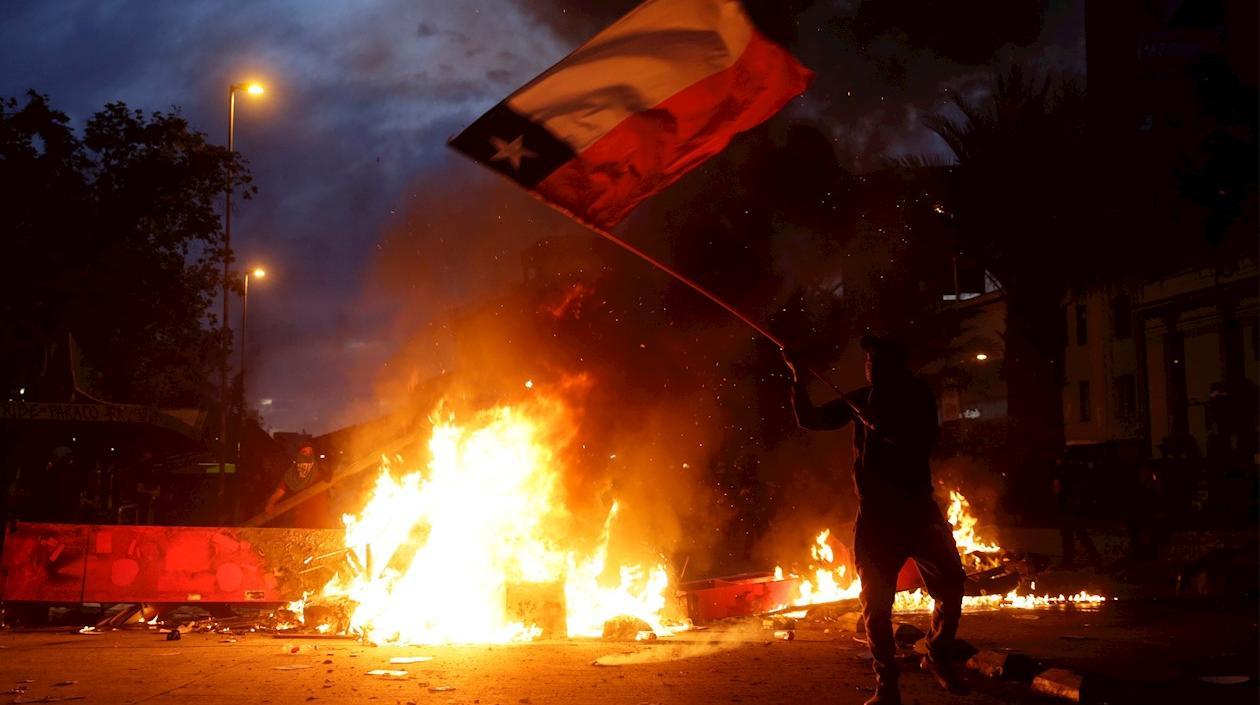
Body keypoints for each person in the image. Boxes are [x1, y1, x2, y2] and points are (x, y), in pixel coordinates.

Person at [783, 335, 966, 705]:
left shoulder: (917, 397)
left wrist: (885, 428)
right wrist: (799, 379)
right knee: (876, 605)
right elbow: (811, 419)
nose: (870, 367)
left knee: (951, 587)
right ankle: (887, 684)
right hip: (876, 517)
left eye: (877, 361)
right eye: (868, 361)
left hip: (917, 510)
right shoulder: (861, 399)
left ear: (897, 366)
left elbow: (925, 439)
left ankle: (937, 654)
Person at [264, 445, 331, 527]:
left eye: (310, 452)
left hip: (320, 520)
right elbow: (279, 492)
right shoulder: (291, 475)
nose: (307, 455)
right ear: (299, 455)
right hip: (302, 520)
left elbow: (332, 482)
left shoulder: (319, 471)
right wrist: (270, 503)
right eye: (304, 452)